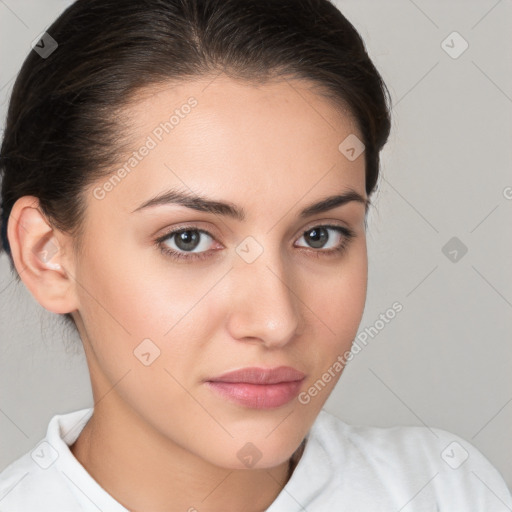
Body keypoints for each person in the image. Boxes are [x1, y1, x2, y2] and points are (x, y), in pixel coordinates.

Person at [0, 0, 510, 510]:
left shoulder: (445, 491)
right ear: (48, 255)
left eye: (319, 236)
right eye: (189, 239)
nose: (276, 322)